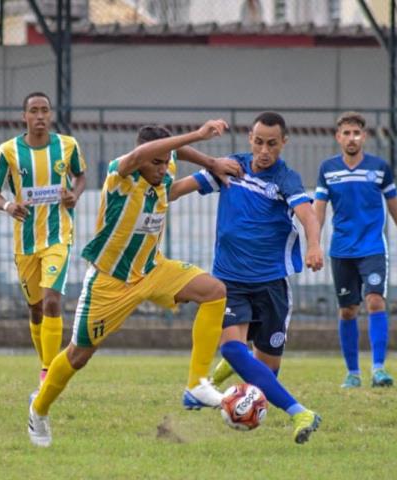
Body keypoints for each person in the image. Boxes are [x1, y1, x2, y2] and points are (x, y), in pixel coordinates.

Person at [27, 119, 242, 447]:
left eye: (166, 162)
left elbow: (171, 167)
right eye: (155, 162)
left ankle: (197, 383)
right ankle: (39, 409)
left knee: (215, 292)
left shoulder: (163, 173)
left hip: (154, 270)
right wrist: (199, 135)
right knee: (78, 356)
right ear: (140, 157)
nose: (162, 168)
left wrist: (211, 165)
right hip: (110, 282)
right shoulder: (120, 175)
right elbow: (143, 153)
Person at [169, 112, 324, 444]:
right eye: (258, 141)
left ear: (284, 143)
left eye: (271, 143)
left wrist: (314, 246)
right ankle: (301, 412)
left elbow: (307, 213)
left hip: (271, 285)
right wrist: (149, 195)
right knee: (232, 350)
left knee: (266, 377)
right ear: (249, 139)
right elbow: (179, 187)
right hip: (229, 282)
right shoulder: (231, 168)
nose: (264, 150)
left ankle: (209, 387)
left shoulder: (286, 179)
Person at [0, 92, 86, 386]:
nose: (40, 116)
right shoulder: (7, 151)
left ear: (50, 115)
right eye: (34, 111)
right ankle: (46, 365)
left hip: (58, 237)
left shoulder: (68, 146)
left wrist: (73, 196)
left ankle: (47, 372)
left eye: (45, 110)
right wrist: (8, 205)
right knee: (36, 308)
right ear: (24, 116)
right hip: (25, 241)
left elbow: (80, 177)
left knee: (53, 301)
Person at [313, 111, 397, 389]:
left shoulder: (379, 168)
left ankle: (379, 369)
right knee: (348, 310)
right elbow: (319, 209)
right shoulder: (328, 169)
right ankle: (353, 373)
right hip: (341, 251)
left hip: (372, 247)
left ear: (365, 136)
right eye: (346, 133)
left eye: (356, 133)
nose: (352, 138)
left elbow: (395, 207)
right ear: (338, 137)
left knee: (375, 301)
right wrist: (313, 244)